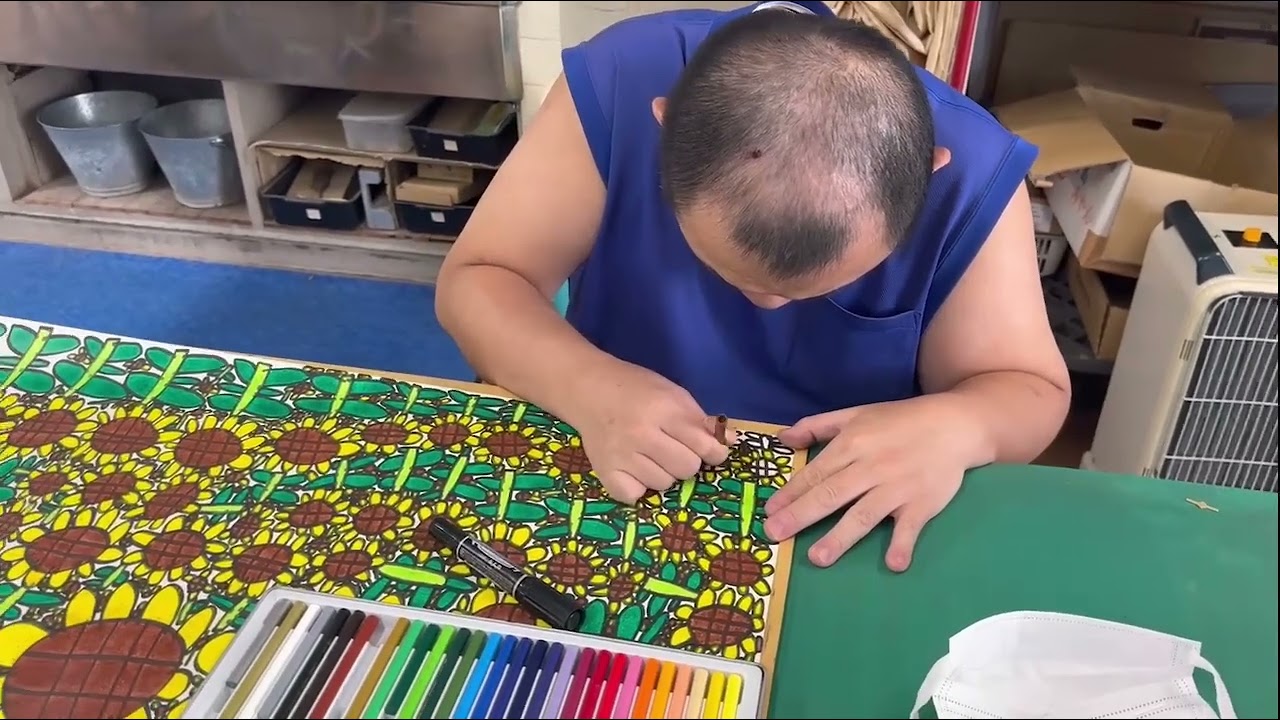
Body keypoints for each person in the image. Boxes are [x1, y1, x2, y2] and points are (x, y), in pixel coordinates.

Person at [435, 1, 1070, 571]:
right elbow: (480, 280)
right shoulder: (622, 81)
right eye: (726, 271)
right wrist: (588, 385)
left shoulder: (975, 171)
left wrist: (960, 425)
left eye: (819, 289)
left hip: (838, 507)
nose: (768, 306)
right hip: (606, 446)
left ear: (931, 175)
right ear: (663, 127)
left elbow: (1028, 389)